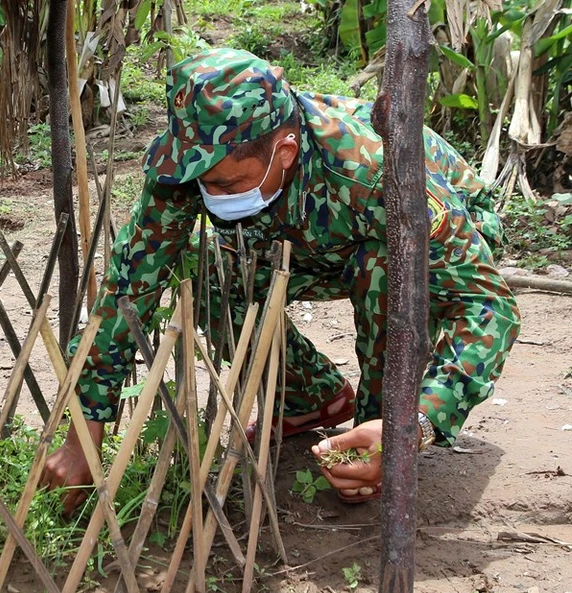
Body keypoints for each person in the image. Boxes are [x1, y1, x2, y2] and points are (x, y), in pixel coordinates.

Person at [38, 48, 520, 511]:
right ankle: (310, 399)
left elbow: (486, 305)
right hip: (305, 241)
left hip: (427, 239)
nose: (206, 193)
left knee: (383, 267)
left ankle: (375, 434)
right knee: (209, 269)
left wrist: (412, 424)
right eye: (200, 180)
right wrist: (84, 432)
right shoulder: (196, 158)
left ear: (284, 151)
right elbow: (131, 284)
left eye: (225, 184)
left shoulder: (371, 172)